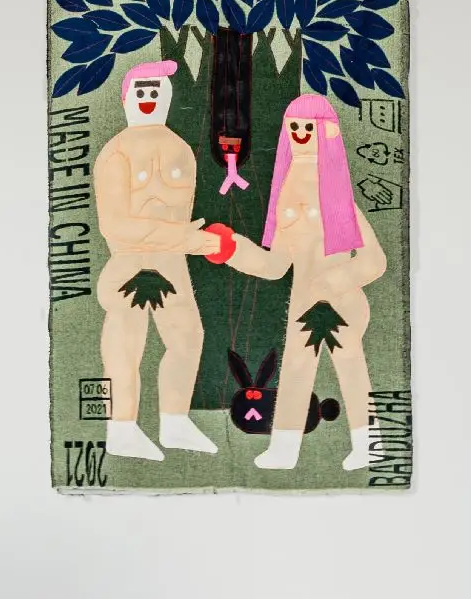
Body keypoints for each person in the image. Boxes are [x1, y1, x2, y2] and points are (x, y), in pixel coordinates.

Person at [227, 94, 386, 471]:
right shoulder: (288, 200)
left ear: (325, 132)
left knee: (350, 367)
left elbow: (374, 261)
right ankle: (285, 449)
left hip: (341, 302)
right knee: (297, 371)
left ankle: (369, 444)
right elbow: (275, 265)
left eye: (308, 127)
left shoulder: (340, 201)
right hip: (304, 303)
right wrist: (231, 249)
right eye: (294, 127)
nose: (300, 133)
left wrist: (333, 282)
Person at [93, 60, 227, 462]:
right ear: (126, 99)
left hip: (172, 264)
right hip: (130, 263)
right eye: (141, 91)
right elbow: (115, 224)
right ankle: (121, 429)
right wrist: (186, 238)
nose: (148, 98)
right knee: (125, 343)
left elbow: (182, 212)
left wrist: (186, 239)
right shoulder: (115, 152)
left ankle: (174, 421)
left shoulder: (179, 149)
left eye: (155, 91)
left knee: (187, 338)